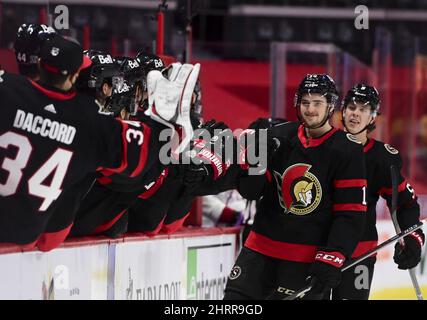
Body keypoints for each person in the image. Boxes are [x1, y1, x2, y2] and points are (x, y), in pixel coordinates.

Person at [0, 34, 200, 251]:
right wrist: (163, 120)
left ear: (38, 63)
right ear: (76, 74)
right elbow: (140, 157)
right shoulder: (90, 122)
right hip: (33, 236)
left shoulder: (7, 88)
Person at [223, 74, 368, 300]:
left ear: (330, 105)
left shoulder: (347, 150)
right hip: (259, 251)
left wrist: (333, 255)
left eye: (317, 103)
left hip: (305, 260)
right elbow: (251, 192)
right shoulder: (276, 136)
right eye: (305, 102)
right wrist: (252, 164)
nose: (310, 109)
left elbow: (350, 213)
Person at [336, 83, 424, 300]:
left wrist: (412, 237)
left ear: (373, 117)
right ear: (343, 111)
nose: (355, 113)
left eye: (363, 109)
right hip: (316, 250)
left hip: (359, 254)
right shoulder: (325, 148)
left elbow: (405, 204)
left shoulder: (382, 159)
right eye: (351, 107)